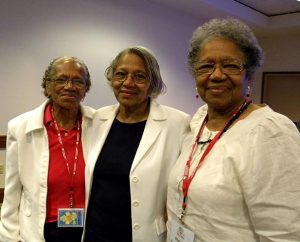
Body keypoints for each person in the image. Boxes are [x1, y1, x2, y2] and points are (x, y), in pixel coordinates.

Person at [167, 18, 300, 242]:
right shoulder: (199, 121)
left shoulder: (270, 131)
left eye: (230, 65)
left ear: (250, 74)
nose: (217, 75)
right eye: (206, 66)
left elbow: (285, 233)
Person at [83, 46, 190, 242]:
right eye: (121, 74)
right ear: (112, 79)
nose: (128, 83)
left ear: (152, 83)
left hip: (143, 235)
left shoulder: (177, 123)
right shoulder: (98, 119)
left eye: (139, 76)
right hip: (95, 233)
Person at [0, 56, 95, 242]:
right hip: (42, 228)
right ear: (48, 86)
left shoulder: (99, 123)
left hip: (90, 227)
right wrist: (9, 237)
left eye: (78, 81)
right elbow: (12, 193)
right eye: (61, 79)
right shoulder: (20, 127)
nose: (69, 86)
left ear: (85, 89)